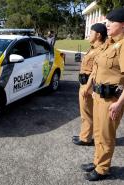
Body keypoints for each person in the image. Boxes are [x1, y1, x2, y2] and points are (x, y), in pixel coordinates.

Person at [81, 7, 124, 181]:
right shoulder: (109, 43)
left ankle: (103, 169)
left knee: (106, 136)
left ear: (122, 25)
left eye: (111, 23)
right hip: (99, 96)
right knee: (98, 133)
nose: (107, 25)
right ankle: (98, 161)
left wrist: (119, 103)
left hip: (111, 100)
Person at [72, 23, 107, 146]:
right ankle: (85, 134)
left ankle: (86, 138)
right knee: (85, 112)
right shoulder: (93, 48)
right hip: (84, 83)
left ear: (98, 35)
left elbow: (94, 72)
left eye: (91, 32)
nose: (88, 35)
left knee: (87, 113)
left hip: (89, 85)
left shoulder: (100, 49)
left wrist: (87, 87)